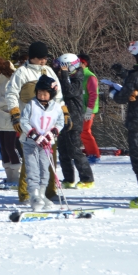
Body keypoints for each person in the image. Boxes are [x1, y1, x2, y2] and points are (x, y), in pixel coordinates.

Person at [5, 41, 68, 203]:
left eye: (45, 58)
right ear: (32, 58)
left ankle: (49, 191)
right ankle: (26, 193)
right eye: (40, 58)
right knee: (31, 159)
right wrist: (15, 113)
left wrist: (64, 112)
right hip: (31, 121)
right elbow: (11, 93)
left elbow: (58, 94)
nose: (43, 61)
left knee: (50, 156)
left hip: (48, 121)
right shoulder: (22, 72)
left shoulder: (48, 71)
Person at [111, 40, 138, 209]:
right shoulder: (137, 75)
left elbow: (121, 97)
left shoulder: (136, 76)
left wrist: (113, 92)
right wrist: (123, 74)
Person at [20, 75, 64, 211]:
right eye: (39, 92)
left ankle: (42, 194)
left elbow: (60, 123)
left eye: (44, 93)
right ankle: (34, 195)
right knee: (33, 169)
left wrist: (53, 133)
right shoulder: (31, 105)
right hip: (30, 143)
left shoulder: (56, 107)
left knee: (45, 169)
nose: (41, 95)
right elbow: (24, 121)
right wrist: (34, 135)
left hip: (46, 144)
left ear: (51, 94)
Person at [54, 54, 95, 189]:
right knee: (63, 151)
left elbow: (69, 91)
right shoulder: (66, 78)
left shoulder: (78, 78)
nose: (61, 70)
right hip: (62, 119)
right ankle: (68, 178)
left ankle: (87, 178)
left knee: (74, 150)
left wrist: (64, 75)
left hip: (74, 119)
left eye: (64, 67)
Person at [0, 56, 20, 183]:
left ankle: (16, 175)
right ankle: (9, 175)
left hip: (8, 116)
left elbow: (9, 97)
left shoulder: (8, 79)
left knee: (10, 147)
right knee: (2, 147)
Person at [78, 53, 101, 163]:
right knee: (82, 131)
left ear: (84, 63)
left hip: (88, 109)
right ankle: (89, 152)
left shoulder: (90, 76)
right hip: (81, 108)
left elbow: (93, 95)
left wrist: (89, 110)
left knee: (85, 131)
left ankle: (94, 154)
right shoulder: (78, 75)